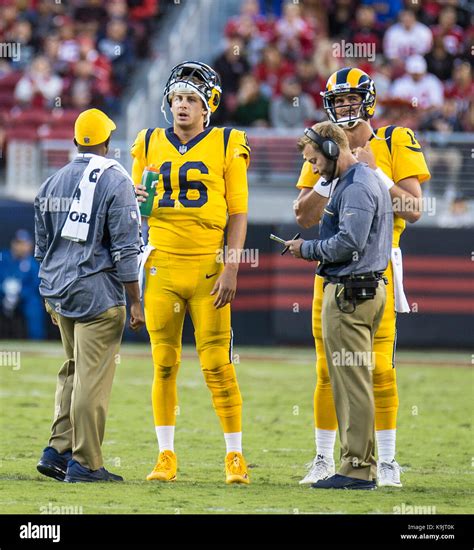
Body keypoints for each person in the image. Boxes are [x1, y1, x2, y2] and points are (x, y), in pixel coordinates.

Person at [294, 67, 430, 487]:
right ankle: (322, 457)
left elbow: (414, 208)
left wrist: (375, 173)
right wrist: (330, 172)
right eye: (340, 101)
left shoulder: (394, 140)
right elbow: (302, 215)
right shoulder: (322, 142)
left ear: (368, 101)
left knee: (380, 369)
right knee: (325, 369)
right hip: (333, 270)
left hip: (378, 266)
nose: (347, 107)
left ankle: (386, 461)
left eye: (354, 99)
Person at [131, 61, 250, 484]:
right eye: (178, 98)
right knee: (164, 363)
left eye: (191, 99)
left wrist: (231, 267)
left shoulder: (226, 142)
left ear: (208, 106)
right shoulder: (147, 142)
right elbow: (135, 213)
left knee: (217, 364)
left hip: (207, 268)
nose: (182, 105)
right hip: (162, 263)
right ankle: (166, 454)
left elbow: (238, 213)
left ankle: (234, 455)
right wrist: (135, 198)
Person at [34, 108, 145, 483]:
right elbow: (126, 251)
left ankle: (57, 450)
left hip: (59, 290)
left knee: (72, 369)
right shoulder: (117, 180)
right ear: (108, 142)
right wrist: (136, 301)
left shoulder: (52, 181)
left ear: (76, 141)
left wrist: (51, 294)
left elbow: (42, 247)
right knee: (91, 379)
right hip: (98, 295)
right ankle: (86, 463)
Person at [286, 121, 393, 489]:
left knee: (352, 384)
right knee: (351, 382)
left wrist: (305, 249)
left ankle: (358, 468)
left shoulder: (359, 186)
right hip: (354, 290)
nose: (313, 168)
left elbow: (349, 243)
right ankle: (357, 463)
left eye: (314, 160)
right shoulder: (356, 182)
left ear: (333, 150)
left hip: (351, 293)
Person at [0, 229, 45, 340]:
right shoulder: (2, 257)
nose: (22, 247)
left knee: (34, 305)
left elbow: (36, 285)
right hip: (2, 295)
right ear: (13, 244)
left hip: (23, 298)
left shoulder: (33, 263)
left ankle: (36, 342)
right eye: (19, 243)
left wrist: (19, 294)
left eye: (25, 244)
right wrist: (4, 291)